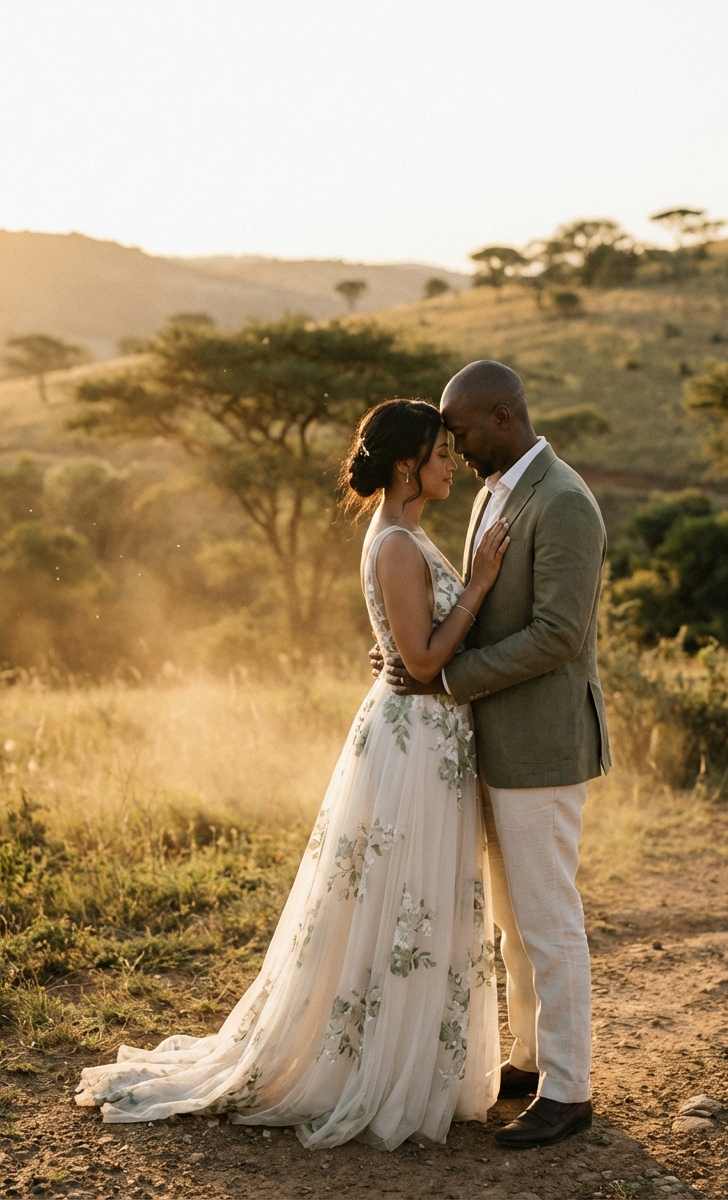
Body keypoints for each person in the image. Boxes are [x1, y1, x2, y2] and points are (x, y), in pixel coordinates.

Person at [75, 399, 511, 1151]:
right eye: (440, 452)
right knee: (402, 897)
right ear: (406, 465)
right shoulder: (397, 543)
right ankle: (376, 1069)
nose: (451, 463)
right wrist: (479, 584)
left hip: (428, 738)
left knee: (409, 899)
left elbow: (407, 646)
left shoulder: (405, 534)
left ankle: (406, 1059)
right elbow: (421, 661)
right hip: (414, 743)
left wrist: (416, 637)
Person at [383, 361, 611, 1149]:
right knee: (513, 922)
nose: (455, 446)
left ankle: (570, 1091)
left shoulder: (565, 501)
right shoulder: (493, 494)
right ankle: (529, 1059)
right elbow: (476, 612)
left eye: (463, 430)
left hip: (543, 744)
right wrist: (411, 652)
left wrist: (446, 678)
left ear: (504, 418)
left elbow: (558, 635)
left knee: (549, 920)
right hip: (493, 740)